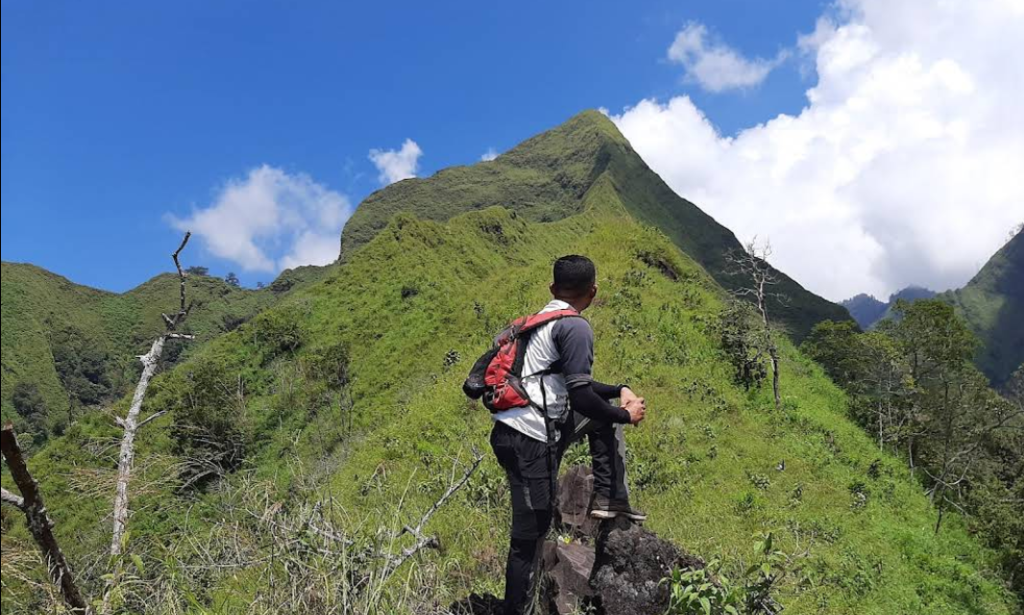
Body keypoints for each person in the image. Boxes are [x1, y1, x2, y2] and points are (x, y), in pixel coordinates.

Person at [490, 255, 647, 615]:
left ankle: (609, 499)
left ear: (552, 289)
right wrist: (625, 413)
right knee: (529, 537)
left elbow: (576, 386)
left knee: (600, 419)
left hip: (516, 430)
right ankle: (517, 610)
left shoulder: (537, 324)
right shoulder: (575, 327)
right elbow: (580, 397)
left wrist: (618, 389)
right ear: (593, 292)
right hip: (530, 438)